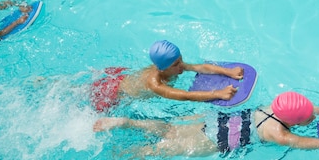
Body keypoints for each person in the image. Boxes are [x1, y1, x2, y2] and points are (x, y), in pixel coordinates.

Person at [93, 91, 319, 158]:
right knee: (164, 149)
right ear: (295, 121)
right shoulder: (277, 133)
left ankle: (126, 122)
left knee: (169, 129)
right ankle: (123, 156)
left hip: (212, 121)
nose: (313, 117)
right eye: (308, 118)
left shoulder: (278, 106)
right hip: (212, 141)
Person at [90, 40, 244, 111]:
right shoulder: (154, 83)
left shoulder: (172, 64)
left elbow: (199, 67)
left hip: (122, 76)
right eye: (176, 65)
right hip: (114, 94)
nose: (181, 65)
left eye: (180, 60)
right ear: (162, 69)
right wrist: (217, 93)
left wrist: (228, 72)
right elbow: (185, 95)